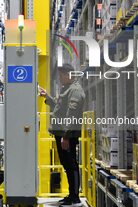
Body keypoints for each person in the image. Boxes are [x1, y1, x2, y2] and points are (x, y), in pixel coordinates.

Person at [39, 63, 85, 206]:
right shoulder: (68, 89)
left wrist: (66, 136)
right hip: (62, 133)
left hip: (67, 135)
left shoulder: (75, 91)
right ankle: (71, 195)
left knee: (71, 165)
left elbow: (71, 115)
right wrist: (47, 96)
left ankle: (75, 197)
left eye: (61, 75)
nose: (59, 78)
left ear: (69, 74)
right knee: (67, 164)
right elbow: (60, 109)